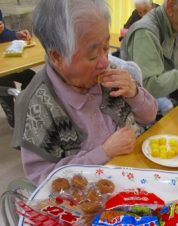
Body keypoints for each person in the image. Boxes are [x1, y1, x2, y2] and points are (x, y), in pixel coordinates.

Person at [12, 0, 158, 186]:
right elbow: (46, 181)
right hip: (90, 199)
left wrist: (135, 93)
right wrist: (104, 152)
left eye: (106, 47)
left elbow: (150, 116)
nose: (105, 62)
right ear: (57, 56)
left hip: (136, 173)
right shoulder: (36, 107)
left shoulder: (111, 73)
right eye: (92, 55)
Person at [0, 9, 35, 127]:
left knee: (31, 77)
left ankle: (24, 111)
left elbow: (3, 33)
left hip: (3, 60)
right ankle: (13, 117)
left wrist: (16, 35)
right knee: (4, 82)